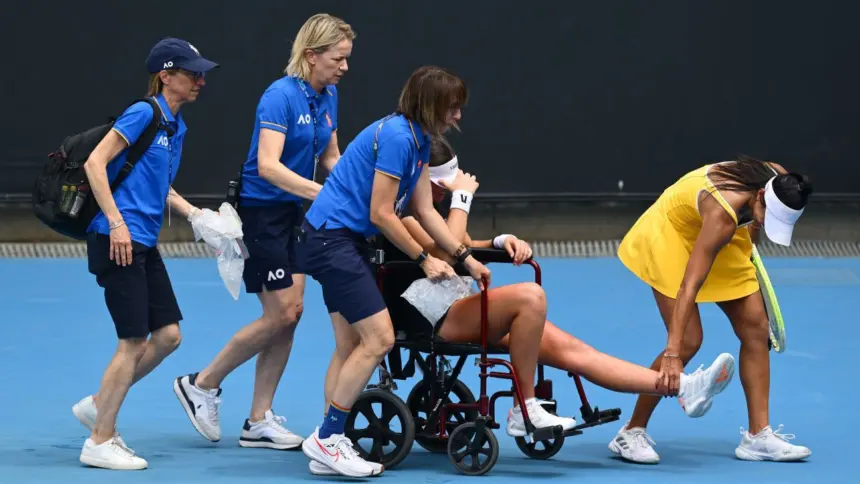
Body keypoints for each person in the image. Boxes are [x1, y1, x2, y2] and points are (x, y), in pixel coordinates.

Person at [375, 135, 737, 438]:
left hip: (457, 308)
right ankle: (525, 409)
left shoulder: (431, 211)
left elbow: (465, 243)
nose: (443, 195)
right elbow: (448, 250)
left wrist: (501, 241)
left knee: (578, 353)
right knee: (530, 296)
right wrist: (462, 199)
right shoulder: (405, 214)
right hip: (431, 317)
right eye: (441, 188)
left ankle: (682, 387)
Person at [172, 14, 354, 450]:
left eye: (347, 58)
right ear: (312, 55)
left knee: (292, 314)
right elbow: (268, 166)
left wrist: (357, 189)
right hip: (260, 214)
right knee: (281, 314)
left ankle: (259, 420)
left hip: (293, 213)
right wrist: (321, 194)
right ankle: (202, 383)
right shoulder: (279, 96)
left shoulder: (328, 96)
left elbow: (331, 156)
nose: (345, 67)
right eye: (338, 58)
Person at [71, 37, 218, 470]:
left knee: (168, 336)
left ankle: (100, 402)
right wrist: (116, 222)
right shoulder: (143, 113)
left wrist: (198, 216)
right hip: (117, 239)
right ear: (166, 76)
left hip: (143, 243)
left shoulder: (176, 127)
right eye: (192, 73)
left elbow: (160, 186)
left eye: (201, 74)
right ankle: (100, 439)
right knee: (133, 342)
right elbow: (95, 164)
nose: (201, 81)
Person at [611, 156, 813, 463]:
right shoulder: (721, 212)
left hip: (726, 237)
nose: (766, 223)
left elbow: (752, 226)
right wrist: (672, 355)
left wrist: (754, 228)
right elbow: (689, 286)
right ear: (760, 195)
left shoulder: (782, 180)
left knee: (756, 330)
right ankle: (630, 431)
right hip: (673, 236)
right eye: (767, 216)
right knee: (689, 340)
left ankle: (758, 437)